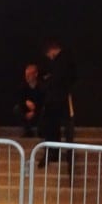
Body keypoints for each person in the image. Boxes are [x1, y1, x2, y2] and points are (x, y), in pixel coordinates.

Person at [38, 40, 76, 168]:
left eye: (49, 55)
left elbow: (55, 80)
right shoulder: (66, 61)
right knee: (55, 127)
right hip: (59, 99)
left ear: (52, 51)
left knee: (51, 126)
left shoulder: (61, 62)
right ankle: (54, 152)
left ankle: (53, 152)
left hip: (57, 100)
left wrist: (47, 82)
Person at [14, 63, 44, 137]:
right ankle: (28, 131)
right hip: (26, 111)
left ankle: (41, 131)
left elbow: (44, 101)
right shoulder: (23, 86)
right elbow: (19, 100)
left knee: (45, 110)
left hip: (38, 111)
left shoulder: (42, 86)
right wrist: (25, 103)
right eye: (26, 75)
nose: (27, 77)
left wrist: (34, 111)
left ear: (35, 74)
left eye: (29, 74)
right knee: (16, 109)